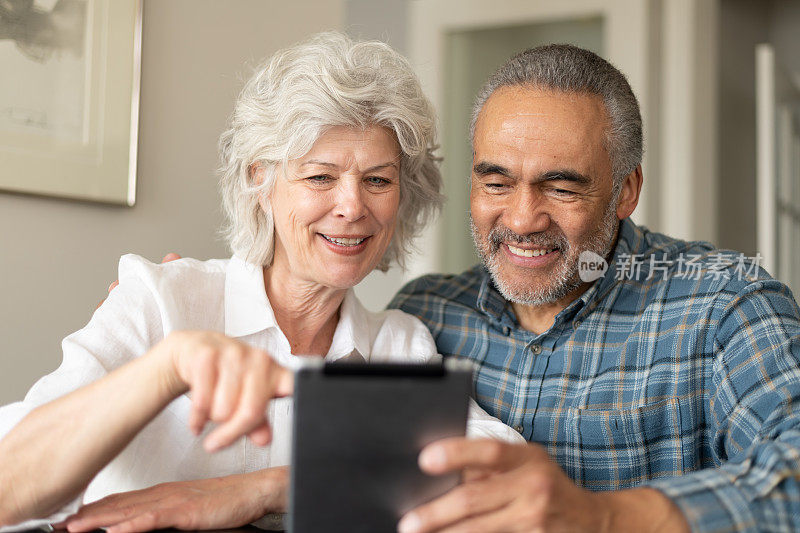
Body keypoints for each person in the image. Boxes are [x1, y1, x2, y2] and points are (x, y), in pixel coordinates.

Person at [0, 32, 521, 533]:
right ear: (260, 182)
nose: (352, 206)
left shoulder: (396, 347)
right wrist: (167, 368)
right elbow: (8, 484)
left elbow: (509, 483)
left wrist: (269, 488)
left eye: (378, 180)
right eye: (320, 176)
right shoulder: (162, 300)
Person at [388, 44, 800, 533]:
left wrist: (601, 516)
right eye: (496, 183)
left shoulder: (728, 303)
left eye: (561, 188)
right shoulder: (422, 313)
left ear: (626, 190)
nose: (522, 219)